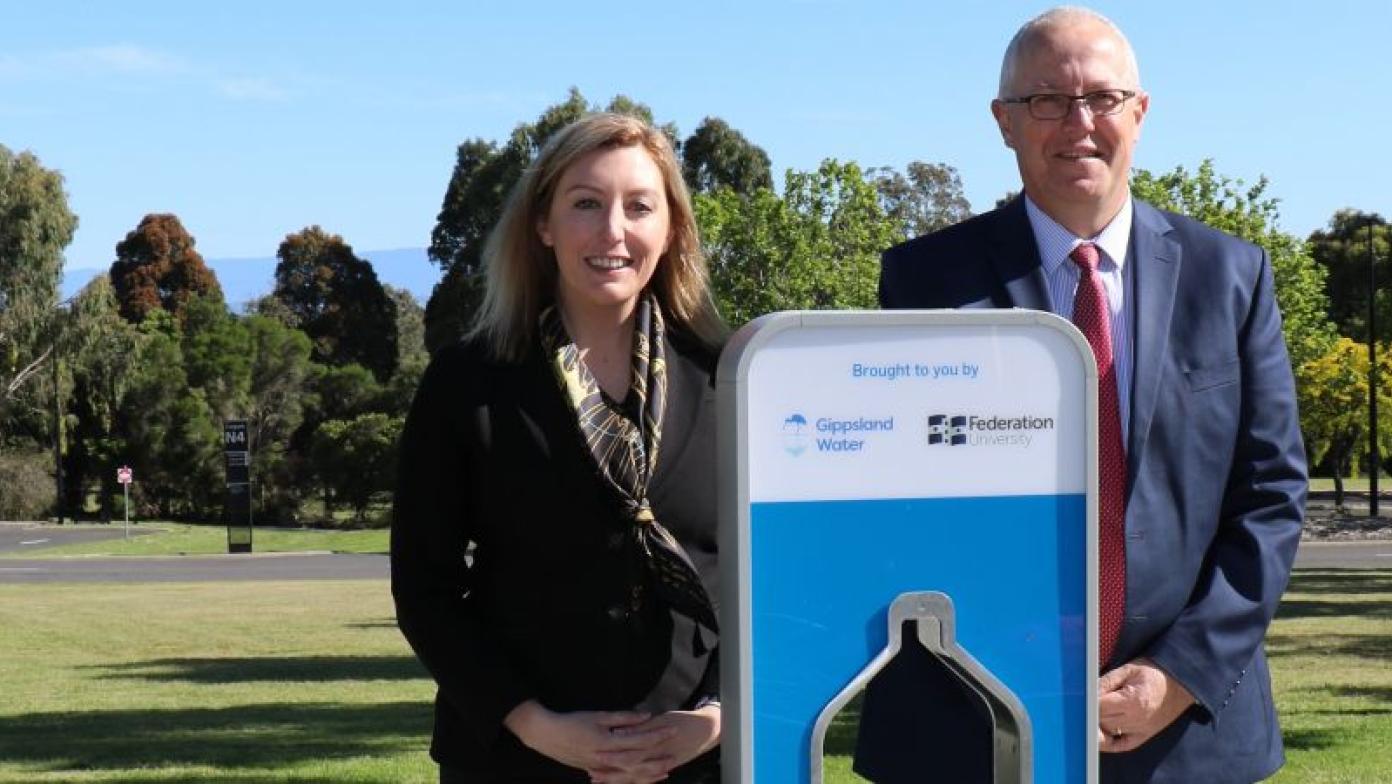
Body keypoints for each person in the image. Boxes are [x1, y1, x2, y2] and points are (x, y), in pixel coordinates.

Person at [861, 6, 1306, 783]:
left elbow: (1269, 496)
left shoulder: (1232, 277)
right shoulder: (925, 282)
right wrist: (1017, 673)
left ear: (1140, 112)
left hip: (1188, 736)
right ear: (1004, 123)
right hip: (974, 725)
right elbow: (904, 506)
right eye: (1046, 101)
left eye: (1101, 98)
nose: (1078, 122)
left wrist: (1180, 674)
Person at [392, 113, 726, 784]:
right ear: (542, 225)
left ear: (672, 228)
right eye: (585, 204)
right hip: (517, 760)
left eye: (639, 207)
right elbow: (424, 589)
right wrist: (535, 725)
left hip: (698, 759)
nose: (612, 232)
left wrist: (720, 715)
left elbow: (775, 574)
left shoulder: (733, 375)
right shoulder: (468, 381)